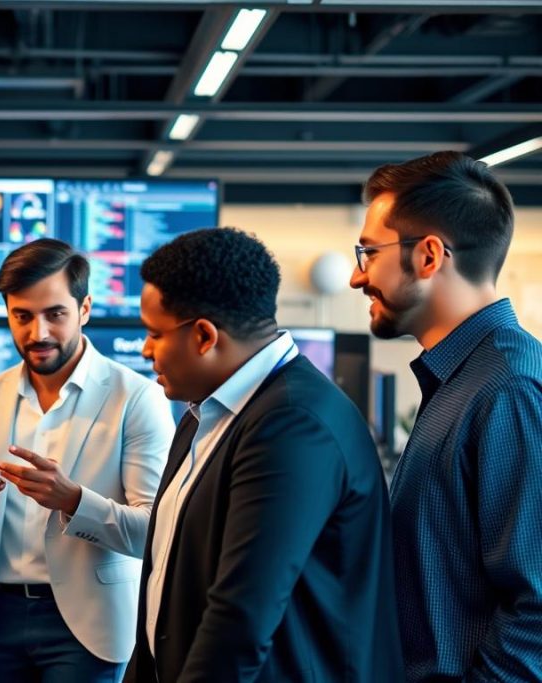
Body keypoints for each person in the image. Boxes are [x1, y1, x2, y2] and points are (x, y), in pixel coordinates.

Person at [125, 227, 403, 683]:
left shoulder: (293, 424)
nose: (146, 350)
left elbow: (241, 616)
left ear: (203, 336)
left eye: (154, 334)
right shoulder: (204, 413)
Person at [350, 151, 542, 682]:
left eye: (368, 253)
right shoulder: (461, 377)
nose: (354, 276)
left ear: (429, 256)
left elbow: (537, 609)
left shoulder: (509, 388)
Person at [0, 238, 174, 682]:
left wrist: (73, 501)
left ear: (84, 309)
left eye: (55, 314)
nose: (38, 333)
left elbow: (158, 534)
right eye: (22, 316)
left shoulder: (136, 398)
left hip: (90, 623)